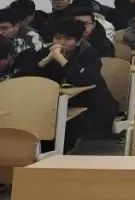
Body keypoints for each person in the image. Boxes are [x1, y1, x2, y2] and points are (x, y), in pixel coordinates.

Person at [29, 18, 118, 149]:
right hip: (57, 102)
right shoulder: (48, 52)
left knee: (72, 129)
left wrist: (61, 59)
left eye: (68, 39)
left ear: (78, 41)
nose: (61, 43)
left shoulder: (89, 53)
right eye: (57, 38)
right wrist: (46, 60)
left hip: (91, 104)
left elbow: (83, 80)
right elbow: (27, 78)